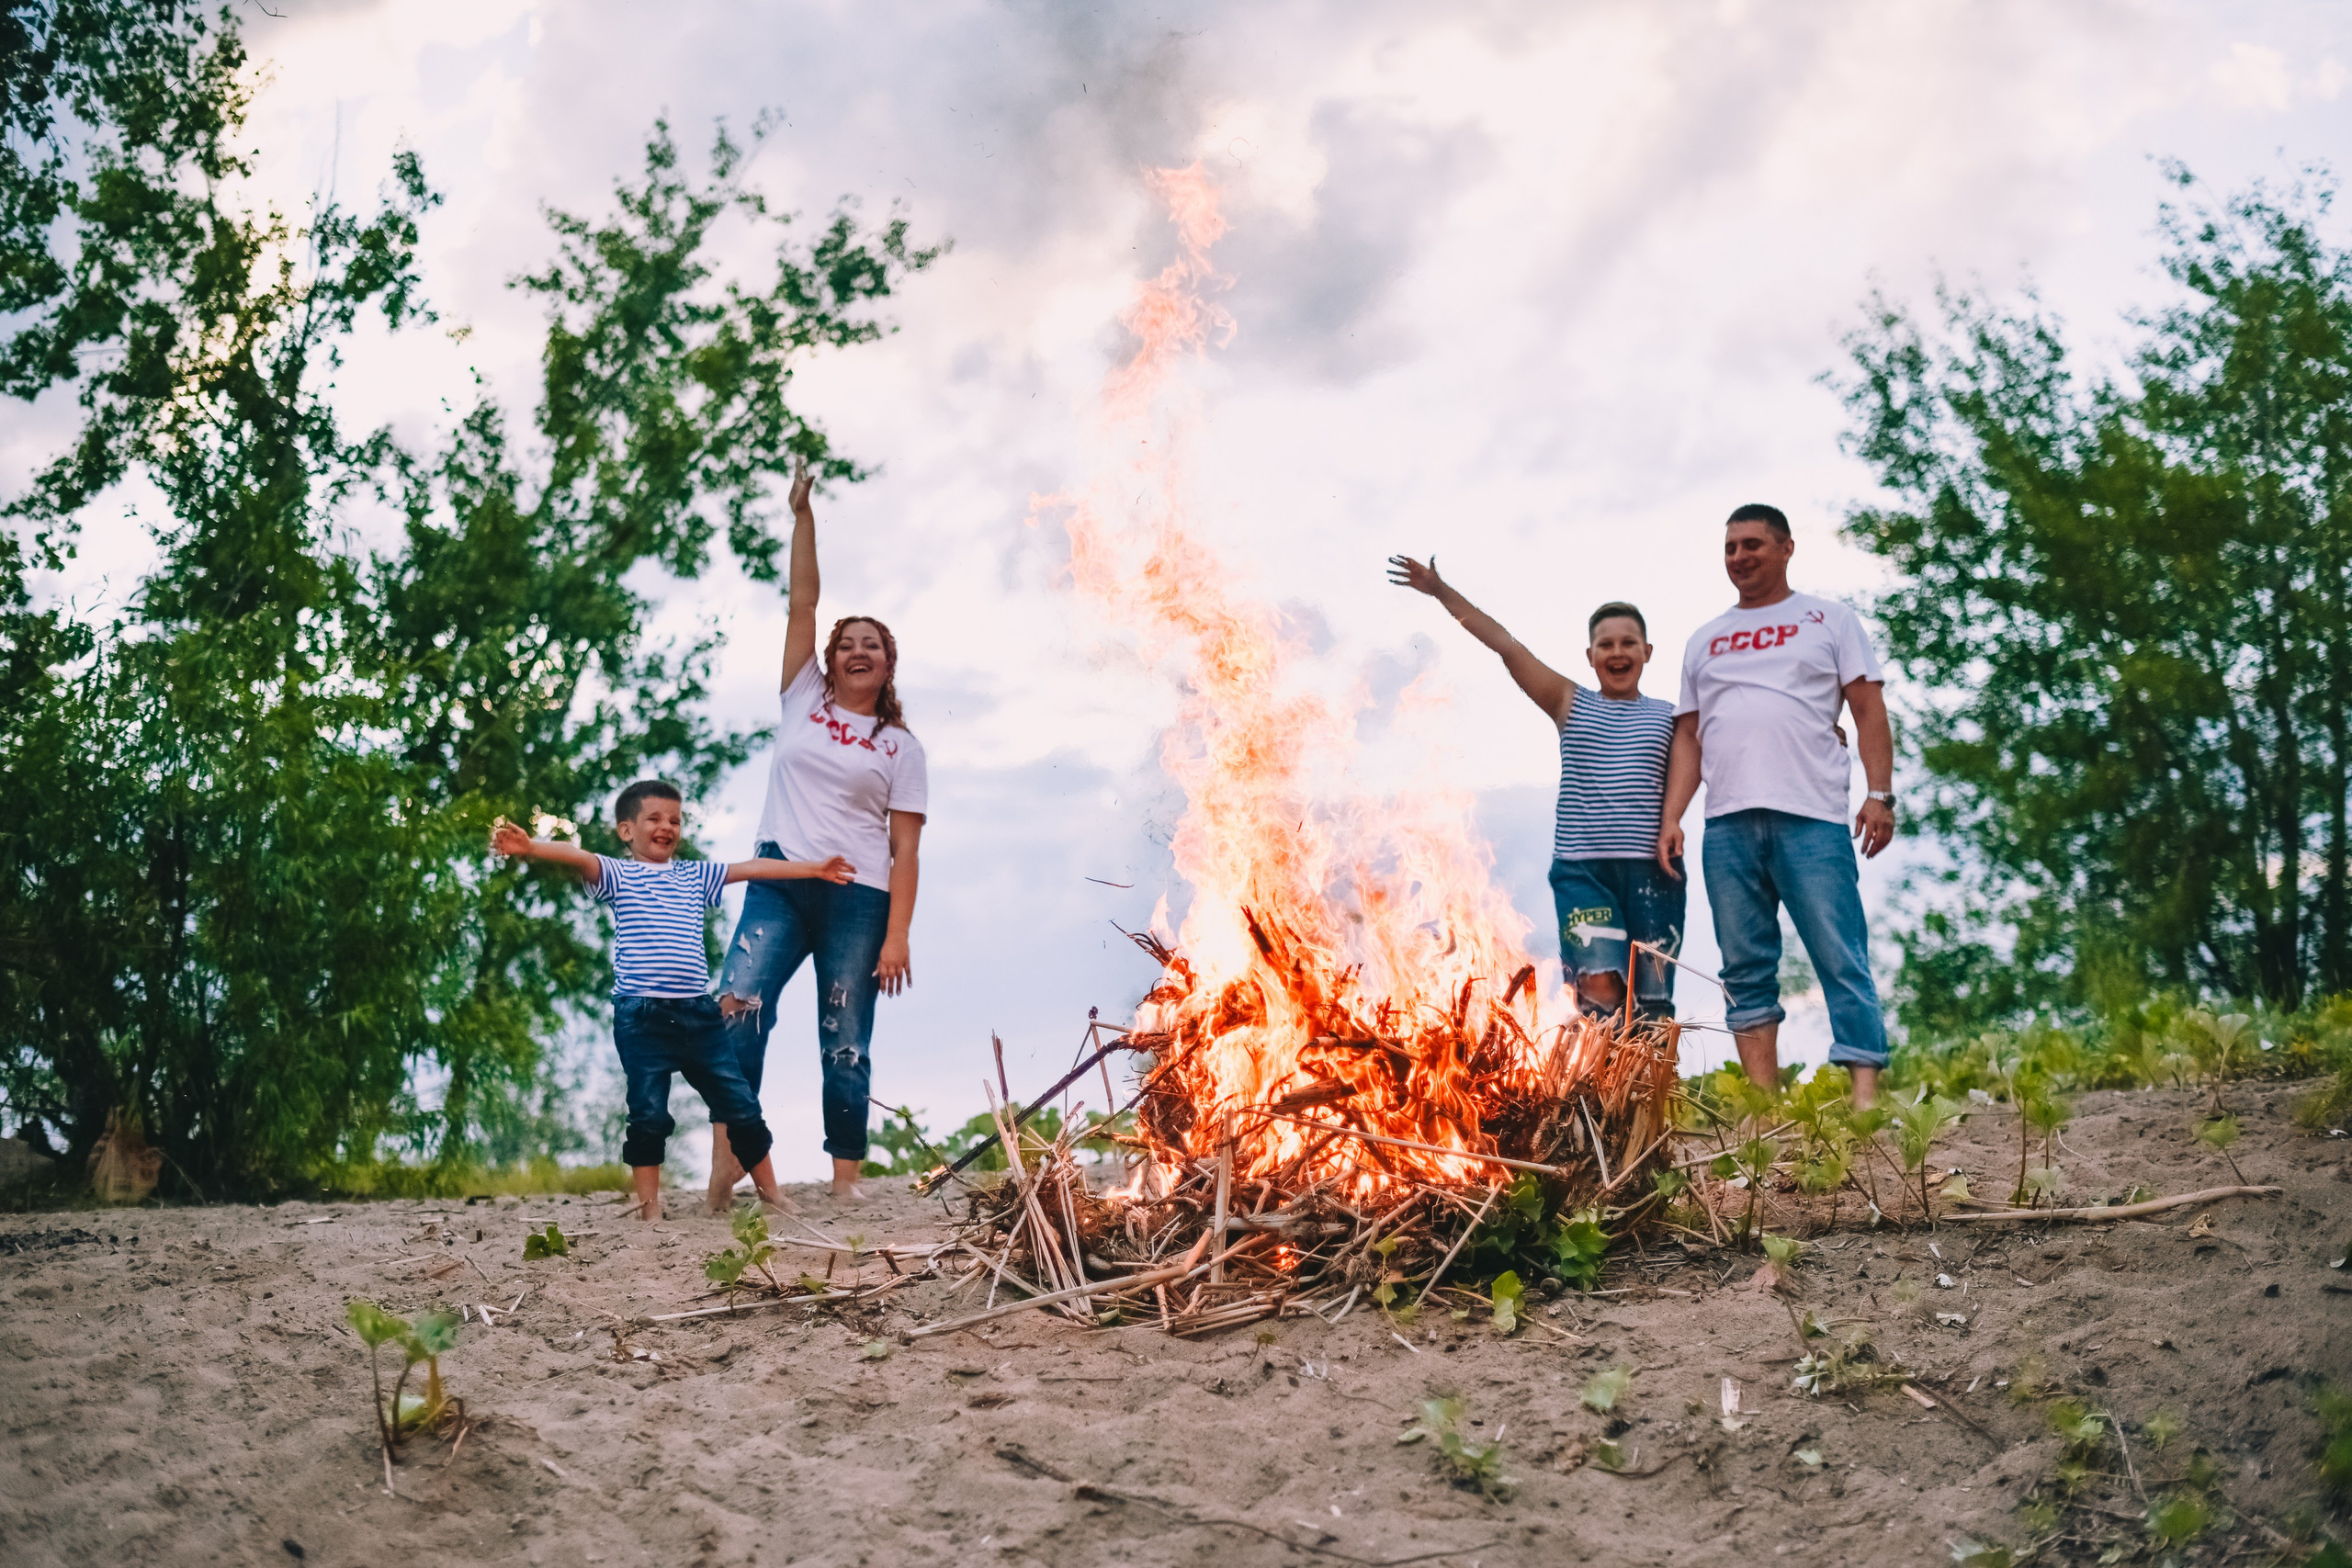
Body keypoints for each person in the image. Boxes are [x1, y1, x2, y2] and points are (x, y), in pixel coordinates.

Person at [709, 457, 928, 1207]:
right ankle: (732, 1157)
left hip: (858, 897)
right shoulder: (803, 696)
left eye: (873, 643)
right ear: (829, 661)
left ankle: (845, 1183)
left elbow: (906, 852)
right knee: (736, 1005)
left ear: (888, 664)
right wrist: (802, 515)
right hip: (780, 880)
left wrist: (898, 934)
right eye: (847, 643)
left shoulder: (902, 747)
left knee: (844, 1037)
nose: (858, 650)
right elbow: (802, 604)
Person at [491, 781, 854, 1221]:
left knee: (740, 1104)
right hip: (641, 1017)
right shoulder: (617, 874)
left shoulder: (695, 875)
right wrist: (531, 848)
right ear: (627, 831)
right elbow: (578, 855)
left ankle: (770, 1192)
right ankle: (648, 1209)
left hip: (698, 1016)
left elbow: (755, 867)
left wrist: (815, 869)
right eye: (655, 819)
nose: (667, 827)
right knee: (647, 1112)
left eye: (675, 820)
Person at [1657, 503, 1896, 1108]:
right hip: (1727, 823)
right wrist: (1672, 816)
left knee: (1840, 951)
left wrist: (1879, 793)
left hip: (1811, 816)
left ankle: (1866, 1094)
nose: (1740, 556)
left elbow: (1868, 711)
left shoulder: (1829, 619)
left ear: (1787, 547)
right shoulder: (1704, 638)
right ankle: (1764, 1106)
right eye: (1732, 546)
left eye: (1753, 544)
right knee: (1743, 965)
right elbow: (1689, 735)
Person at [1387, 556, 1683, 1021]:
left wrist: (1825, 722)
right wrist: (1441, 591)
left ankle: (1656, 1092)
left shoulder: (1673, 717)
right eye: (1606, 644)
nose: (1617, 652)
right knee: (1600, 987)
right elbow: (1507, 646)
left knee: (1652, 1001)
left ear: (1648, 651)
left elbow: (1735, 733)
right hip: (1583, 873)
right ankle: (1601, 1090)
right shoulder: (1570, 701)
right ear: (1590, 656)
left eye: (1629, 642)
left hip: (1654, 873)